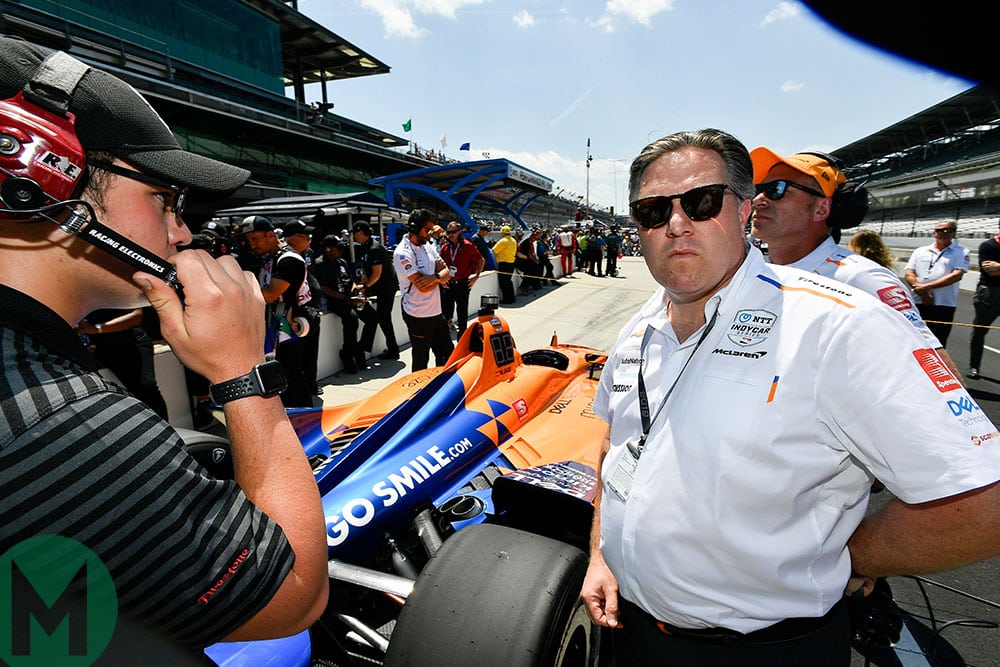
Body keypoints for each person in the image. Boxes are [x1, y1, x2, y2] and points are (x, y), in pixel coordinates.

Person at [580, 128, 1000, 666]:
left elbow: (983, 506)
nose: (676, 223)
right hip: (630, 630)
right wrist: (602, 553)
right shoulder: (641, 323)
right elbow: (616, 444)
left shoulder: (840, 325)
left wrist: (847, 556)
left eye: (700, 202)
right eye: (654, 210)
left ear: (741, 212)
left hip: (764, 650)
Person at [0, 37, 327, 660]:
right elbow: (291, 591)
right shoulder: (62, 425)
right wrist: (242, 371)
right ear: (35, 172)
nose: (181, 232)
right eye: (164, 199)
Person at [749, 146, 955, 368]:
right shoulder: (753, 269)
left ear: (821, 209)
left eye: (776, 189)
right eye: (758, 189)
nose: (758, 199)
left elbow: (937, 372)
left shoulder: (863, 279)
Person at [243, 216, 313, 407]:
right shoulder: (270, 258)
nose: (252, 244)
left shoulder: (288, 259)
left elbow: (271, 294)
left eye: (255, 239)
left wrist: (242, 286)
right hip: (276, 322)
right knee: (282, 373)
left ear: (270, 235)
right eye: (249, 240)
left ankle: (304, 416)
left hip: (290, 323)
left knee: (291, 373)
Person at [393, 209, 455, 370]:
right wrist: (440, 278)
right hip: (418, 314)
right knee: (421, 360)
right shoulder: (402, 254)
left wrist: (433, 278)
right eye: (427, 230)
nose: (430, 234)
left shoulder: (427, 245)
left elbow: (447, 272)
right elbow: (423, 288)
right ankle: (418, 393)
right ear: (414, 228)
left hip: (435, 312)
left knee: (448, 355)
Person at [904, 221, 969, 346]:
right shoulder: (920, 251)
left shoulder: (961, 252)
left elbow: (957, 275)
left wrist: (926, 287)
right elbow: (909, 273)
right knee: (913, 338)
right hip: (918, 301)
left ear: (954, 233)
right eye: (941, 230)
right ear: (934, 233)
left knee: (939, 341)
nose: (945, 232)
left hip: (944, 304)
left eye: (950, 230)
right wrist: (923, 293)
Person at [313, 234, 365, 373]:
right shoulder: (320, 264)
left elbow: (351, 279)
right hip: (333, 300)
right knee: (352, 319)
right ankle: (348, 356)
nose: (341, 250)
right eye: (338, 248)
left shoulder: (341, 261)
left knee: (372, 316)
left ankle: (360, 351)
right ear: (328, 249)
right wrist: (346, 299)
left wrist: (355, 290)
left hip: (349, 297)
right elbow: (323, 288)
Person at [283, 219, 324, 394]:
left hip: (310, 313)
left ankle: (311, 384)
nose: (309, 238)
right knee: (295, 360)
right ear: (292, 238)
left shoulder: (307, 254)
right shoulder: (285, 258)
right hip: (294, 319)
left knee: (310, 353)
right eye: (304, 235)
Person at [353, 221, 400, 361]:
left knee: (384, 318)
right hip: (381, 287)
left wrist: (365, 287)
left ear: (362, 233)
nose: (354, 236)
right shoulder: (366, 247)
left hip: (386, 287)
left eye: (356, 233)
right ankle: (392, 348)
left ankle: (393, 350)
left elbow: (376, 274)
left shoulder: (374, 249)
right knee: (383, 318)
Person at [439, 221, 485, 335]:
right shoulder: (445, 247)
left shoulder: (467, 245)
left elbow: (481, 260)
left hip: (462, 284)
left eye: (453, 232)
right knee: (445, 313)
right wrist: (441, 281)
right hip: (448, 284)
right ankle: (445, 337)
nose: (450, 235)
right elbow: (438, 265)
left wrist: (476, 276)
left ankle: (463, 339)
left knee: (462, 314)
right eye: (448, 232)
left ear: (460, 232)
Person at [969, 221, 1000, 379]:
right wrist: (995, 268)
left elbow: (996, 269)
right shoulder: (988, 246)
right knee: (980, 331)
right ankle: (974, 366)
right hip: (989, 294)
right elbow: (990, 271)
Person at [492, 224, 518, 304]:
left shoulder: (503, 240)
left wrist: (493, 243)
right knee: (509, 281)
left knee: (503, 282)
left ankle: (507, 299)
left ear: (502, 232)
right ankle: (512, 297)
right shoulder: (513, 240)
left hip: (504, 263)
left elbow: (494, 250)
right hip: (511, 263)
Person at [516, 227, 542, 293]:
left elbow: (532, 254)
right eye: (534, 239)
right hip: (521, 260)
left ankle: (533, 284)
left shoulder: (531, 243)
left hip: (527, 259)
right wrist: (535, 260)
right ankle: (524, 286)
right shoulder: (526, 243)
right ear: (531, 237)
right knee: (530, 269)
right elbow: (529, 255)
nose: (534, 241)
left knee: (537, 267)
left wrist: (536, 260)